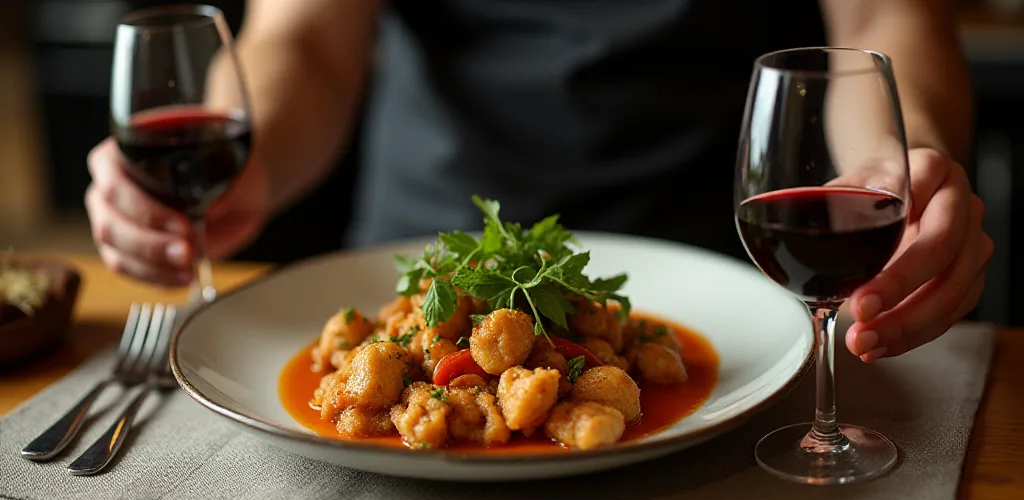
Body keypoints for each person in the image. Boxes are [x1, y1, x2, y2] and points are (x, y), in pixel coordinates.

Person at [85, 0, 991, 363]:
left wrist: (890, 171)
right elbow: (306, 36)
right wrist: (244, 162)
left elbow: (885, 17)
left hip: (738, 293)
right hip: (424, 263)